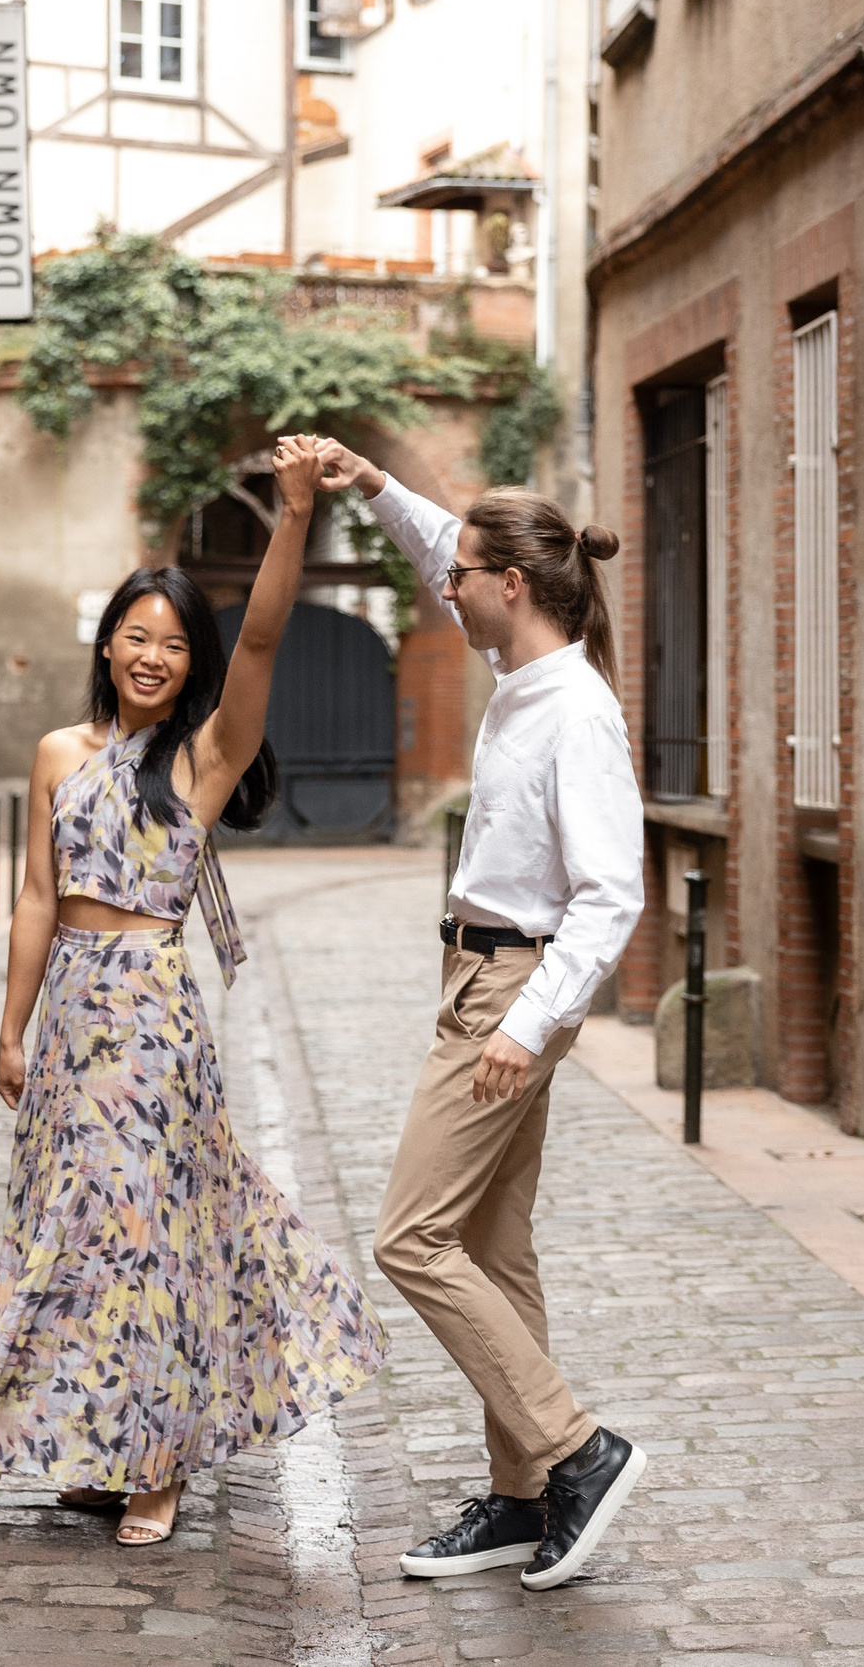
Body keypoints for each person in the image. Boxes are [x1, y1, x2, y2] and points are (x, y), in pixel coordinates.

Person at [0, 434, 388, 1547]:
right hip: (71, 1021)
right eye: (135, 635)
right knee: (72, 1241)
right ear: (107, 643)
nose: (150, 656)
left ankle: (159, 1460)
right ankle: (95, 1444)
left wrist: (290, 515)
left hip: (151, 1021)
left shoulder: (207, 755)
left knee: (153, 1240)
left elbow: (266, 629)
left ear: (192, 665)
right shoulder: (54, 751)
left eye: (172, 644)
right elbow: (37, 894)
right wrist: (8, 1028)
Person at [314, 439, 646, 1593]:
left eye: (459, 573)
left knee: (410, 1237)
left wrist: (524, 1023)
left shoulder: (576, 713)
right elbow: (432, 546)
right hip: (479, 980)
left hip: (510, 995)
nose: (439, 586)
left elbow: (612, 896)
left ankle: (572, 1449)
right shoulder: (522, 678)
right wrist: (368, 483)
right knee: (495, 1253)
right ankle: (518, 1499)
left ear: (511, 583)